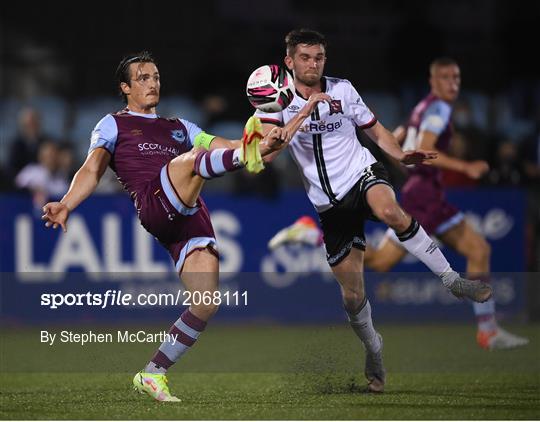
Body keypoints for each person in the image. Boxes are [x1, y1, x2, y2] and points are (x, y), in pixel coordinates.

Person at [41, 51, 294, 402]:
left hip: (190, 214)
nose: (152, 82)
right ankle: (247, 156)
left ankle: (153, 372)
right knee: (190, 161)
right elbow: (92, 169)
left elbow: (224, 147)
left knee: (205, 303)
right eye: (143, 77)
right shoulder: (113, 124)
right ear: (125, 87)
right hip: (154, 202)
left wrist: (268, 143)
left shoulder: (181, 127)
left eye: (156, 76)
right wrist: (66, 203)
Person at [256, 29, 492, 393]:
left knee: (391, 211)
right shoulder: (274, 101)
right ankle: (374, 348)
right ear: (289, 61)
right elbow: (269, 154)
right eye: (305, 57)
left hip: (362, 172)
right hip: (328, 203)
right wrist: (305, 109)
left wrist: (399, 156)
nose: (313, 64)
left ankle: (452, 280)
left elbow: (376, 130)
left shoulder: (344, 90)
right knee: (353, 297)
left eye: (319, 57)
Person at [270, 57, 529, 351]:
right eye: (445, 78)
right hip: (423, 194)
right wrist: (465, 167)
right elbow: (427, 146)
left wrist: (399, 152)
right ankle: (312, 235)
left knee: (478, 248)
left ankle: (486, 329)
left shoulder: (422, 107)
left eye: (457, 78)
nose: (453, 85)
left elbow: (401, 134)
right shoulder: (439, 109)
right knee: (380, 262)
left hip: (427, 192)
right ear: (432, 82)